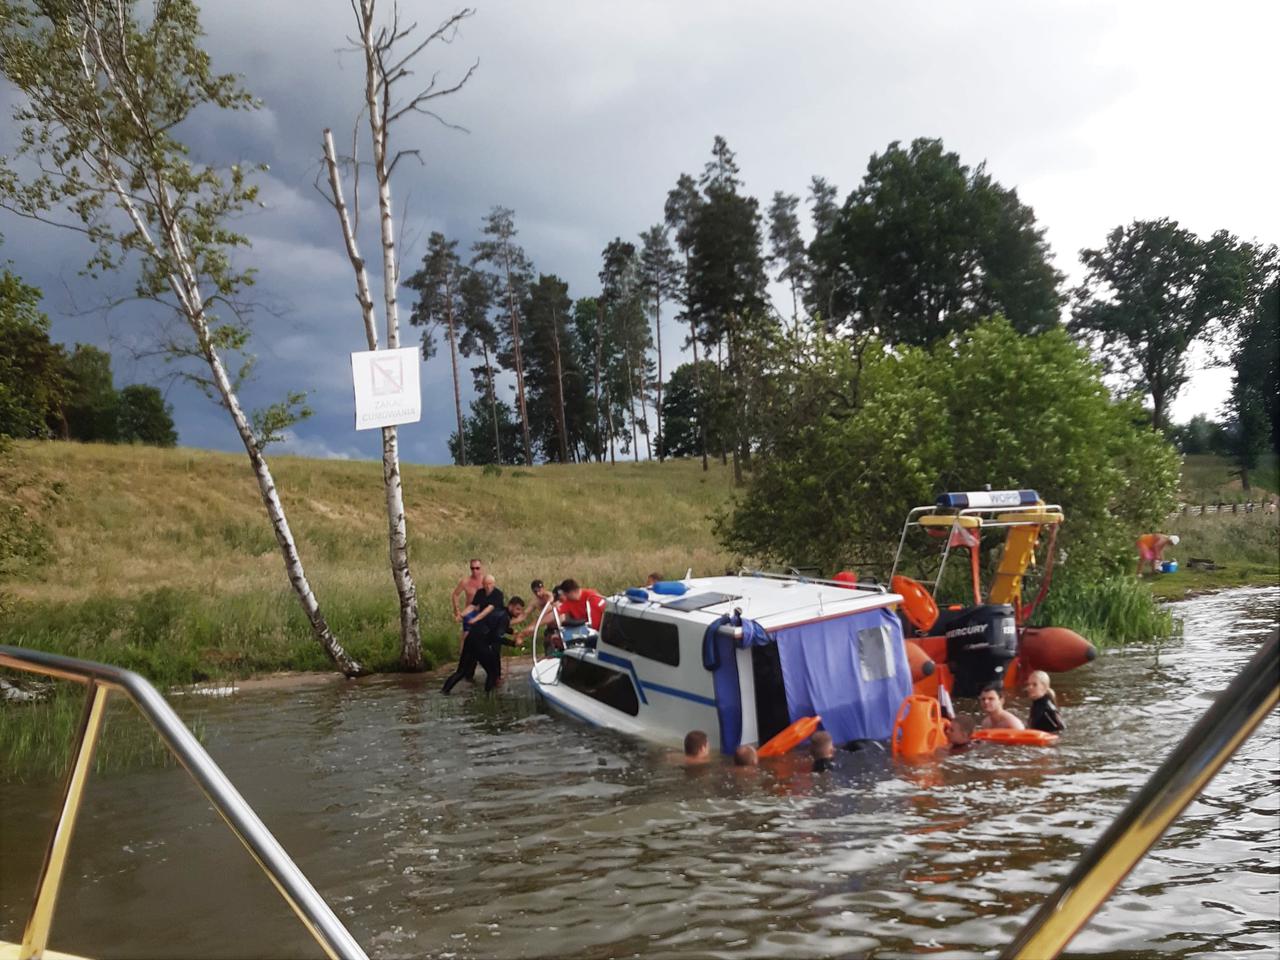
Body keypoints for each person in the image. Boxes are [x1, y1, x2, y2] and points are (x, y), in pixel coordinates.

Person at [442, 596, 527, 695]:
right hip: (480, 643)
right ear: (510, 606)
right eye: (517, 609)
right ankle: (488, 697)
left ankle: (444, 691)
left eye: (521, 610)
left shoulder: (497, 610)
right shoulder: (504, 617)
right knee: (492, 673)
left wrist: (511, 631)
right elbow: (496, 638)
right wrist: (513, 643)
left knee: (461, 672)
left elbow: (493, 624)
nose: (519, 613)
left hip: (471, 638)